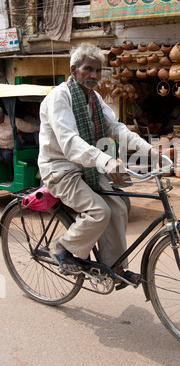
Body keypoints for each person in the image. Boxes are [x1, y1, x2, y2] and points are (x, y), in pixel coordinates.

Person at [38, 43, 159, 288]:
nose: (94, 75)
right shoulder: (59, 97)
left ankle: (113, 265)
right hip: (60, 168)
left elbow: (116, 128)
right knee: (98, 211)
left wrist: (150, 149)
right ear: (74, 70)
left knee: (118, 205)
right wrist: (105, 159)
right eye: (88, 69)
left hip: (88, 167)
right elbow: (70, 142)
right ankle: (61, 246)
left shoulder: (94, 98)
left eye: (98, 70)